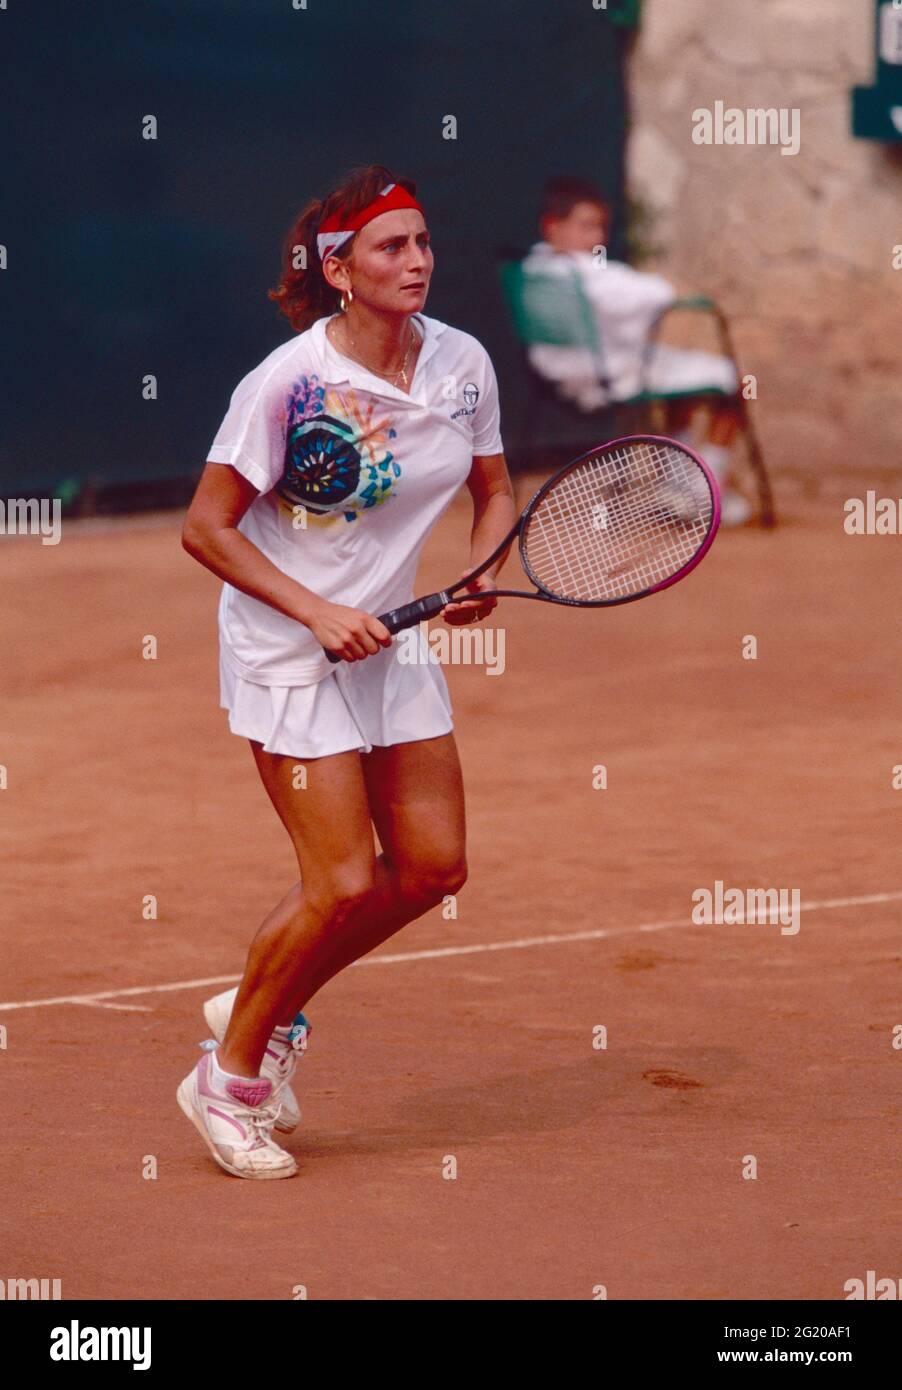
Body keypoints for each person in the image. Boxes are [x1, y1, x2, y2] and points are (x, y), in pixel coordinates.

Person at [177, 164, 516, 1179]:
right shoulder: (287, 382)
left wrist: (482, 568)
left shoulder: (461, 363)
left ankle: (260, 999)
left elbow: (496, 489)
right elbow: (204, 527)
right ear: (337, 269)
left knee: (430, 867)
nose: (414, 262)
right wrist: (316, 610)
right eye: (388, 247)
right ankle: (231, 1073)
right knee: (337, 880)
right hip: (289, 648)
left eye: (420, 243)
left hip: (391, 642)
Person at [522, 176, 751, 526]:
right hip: (611, 377)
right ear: (552, 226)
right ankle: (706, 490)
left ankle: (682, 488)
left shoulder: (532, 269)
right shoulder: (586, 274)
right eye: (586, 227)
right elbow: (658, 293)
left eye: (600, 227)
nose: (597, 238)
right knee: (735, 381)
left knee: (679, 379)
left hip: (564, 375)